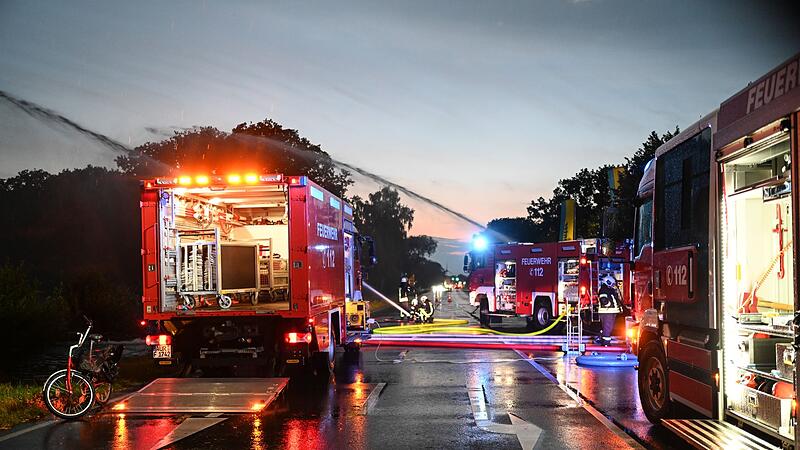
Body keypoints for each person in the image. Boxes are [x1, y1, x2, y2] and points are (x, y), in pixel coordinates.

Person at [596, 275, 622, 346]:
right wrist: (608, 305)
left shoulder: (607, 289)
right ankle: (606, 343)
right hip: (608, 312)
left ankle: (600, 338)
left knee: (606, 327)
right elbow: (603, 299)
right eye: (612, 284)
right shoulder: (604, 290)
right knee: (608, 328)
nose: (613, 285)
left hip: (608, 311)